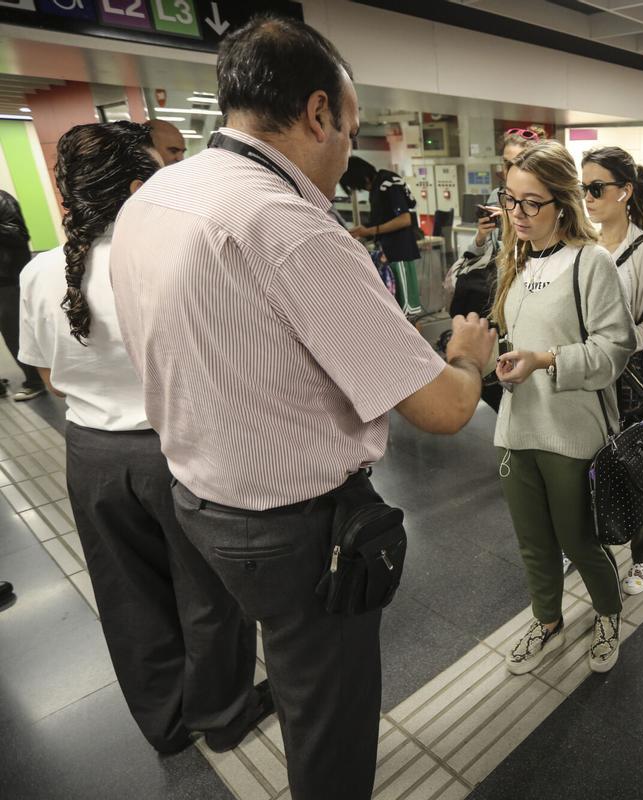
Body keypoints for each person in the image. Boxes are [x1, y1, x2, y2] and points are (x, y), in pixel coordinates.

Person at [109, 17, 495, 800]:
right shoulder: (287, 226)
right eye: (349, 130)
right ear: (318, 113)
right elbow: (443, 411)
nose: (347, 153)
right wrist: (468, 356)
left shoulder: (157, 196)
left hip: (197, 498)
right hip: (293, 528)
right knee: (328, 711)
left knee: (288, 668)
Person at [18, 120, 265, 756]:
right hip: (174, 449)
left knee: (127, 595)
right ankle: (223, 714)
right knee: (206, 590)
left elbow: (49, 379)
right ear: (136, 187)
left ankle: (166, 724)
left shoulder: (39, 272)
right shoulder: (168, 261)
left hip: (89, 456)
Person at [491, 140, 635, 677]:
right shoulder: (515, 260)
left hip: (572, 430)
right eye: (511, 199)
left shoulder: (590, 262)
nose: (518, 213)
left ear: (561, 203)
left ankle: (608, 613)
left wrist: (544, 359)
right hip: (517, 426)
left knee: (579, 539)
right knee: (533, 540)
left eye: (532, 202)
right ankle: (546, 619)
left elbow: (614, 350)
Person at [580, 145, 643, 594]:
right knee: (588, 469)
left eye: (597, 188)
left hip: (632, 381)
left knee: (633, 469)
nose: (588, 198)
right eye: (583, 188)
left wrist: (609, 342)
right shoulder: (583, 245)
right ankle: (592, 545)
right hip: (587, 378)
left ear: (625, 191)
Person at [446, 125, 544, 413]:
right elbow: (485, 251)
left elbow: (541, 248)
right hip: (496, 292)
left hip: (528, 290)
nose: (509, 169)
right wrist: (481, 234)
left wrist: (514, 220)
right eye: (505, 162)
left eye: (517, 161)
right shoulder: (496, 195)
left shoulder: (542, 198)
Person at [343, 155, 424, 316]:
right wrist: (364, 230)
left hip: (399, 254)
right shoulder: (377, 186)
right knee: (395, 310)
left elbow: (404, 219)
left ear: (364, 177)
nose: (363, 189)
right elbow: (383, 218)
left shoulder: (388, 183)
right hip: (388, 254)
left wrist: (370, 231)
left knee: (408, 313)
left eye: (360, 185)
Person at [0, 190, 45, 400]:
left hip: (7, 279)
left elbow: (19, 234)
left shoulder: (3, 200)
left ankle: (35, 381)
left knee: (15, 333)